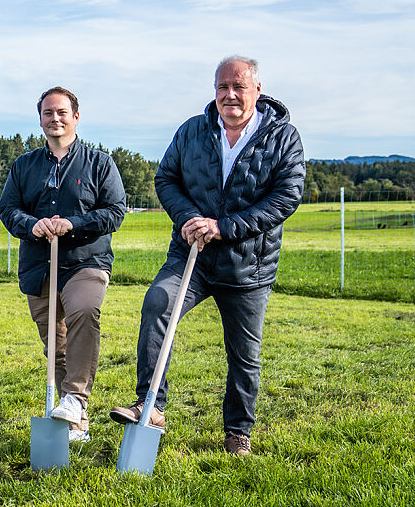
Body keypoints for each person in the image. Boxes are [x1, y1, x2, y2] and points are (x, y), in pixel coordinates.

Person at [110, 56, 305, 455]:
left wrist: (223, 227)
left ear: (257, 90)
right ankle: (152, 405)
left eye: (238, 86)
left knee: (244, 354)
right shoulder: (193, 131)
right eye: (221, 87)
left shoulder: (283, 137)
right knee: (157, 304)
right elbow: (166, 178)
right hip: (191, 254)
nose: (229, 95)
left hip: (247, 264)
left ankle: (238, 432)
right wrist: (188, 219)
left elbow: (286, 196)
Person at [0, 87, 126, 442]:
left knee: (85, 311)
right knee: (55, 343)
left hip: (85, 261)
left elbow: (114, 211)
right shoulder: (24, 166)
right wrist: (31, 224)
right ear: (40, 119)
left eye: (62, 112)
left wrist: (73, 223)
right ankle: (76, 421)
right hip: (39, 266)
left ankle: (74, 397)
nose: (55, 118)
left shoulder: (100, 163)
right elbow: (8, 210)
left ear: (76, 117)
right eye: (48, 113)